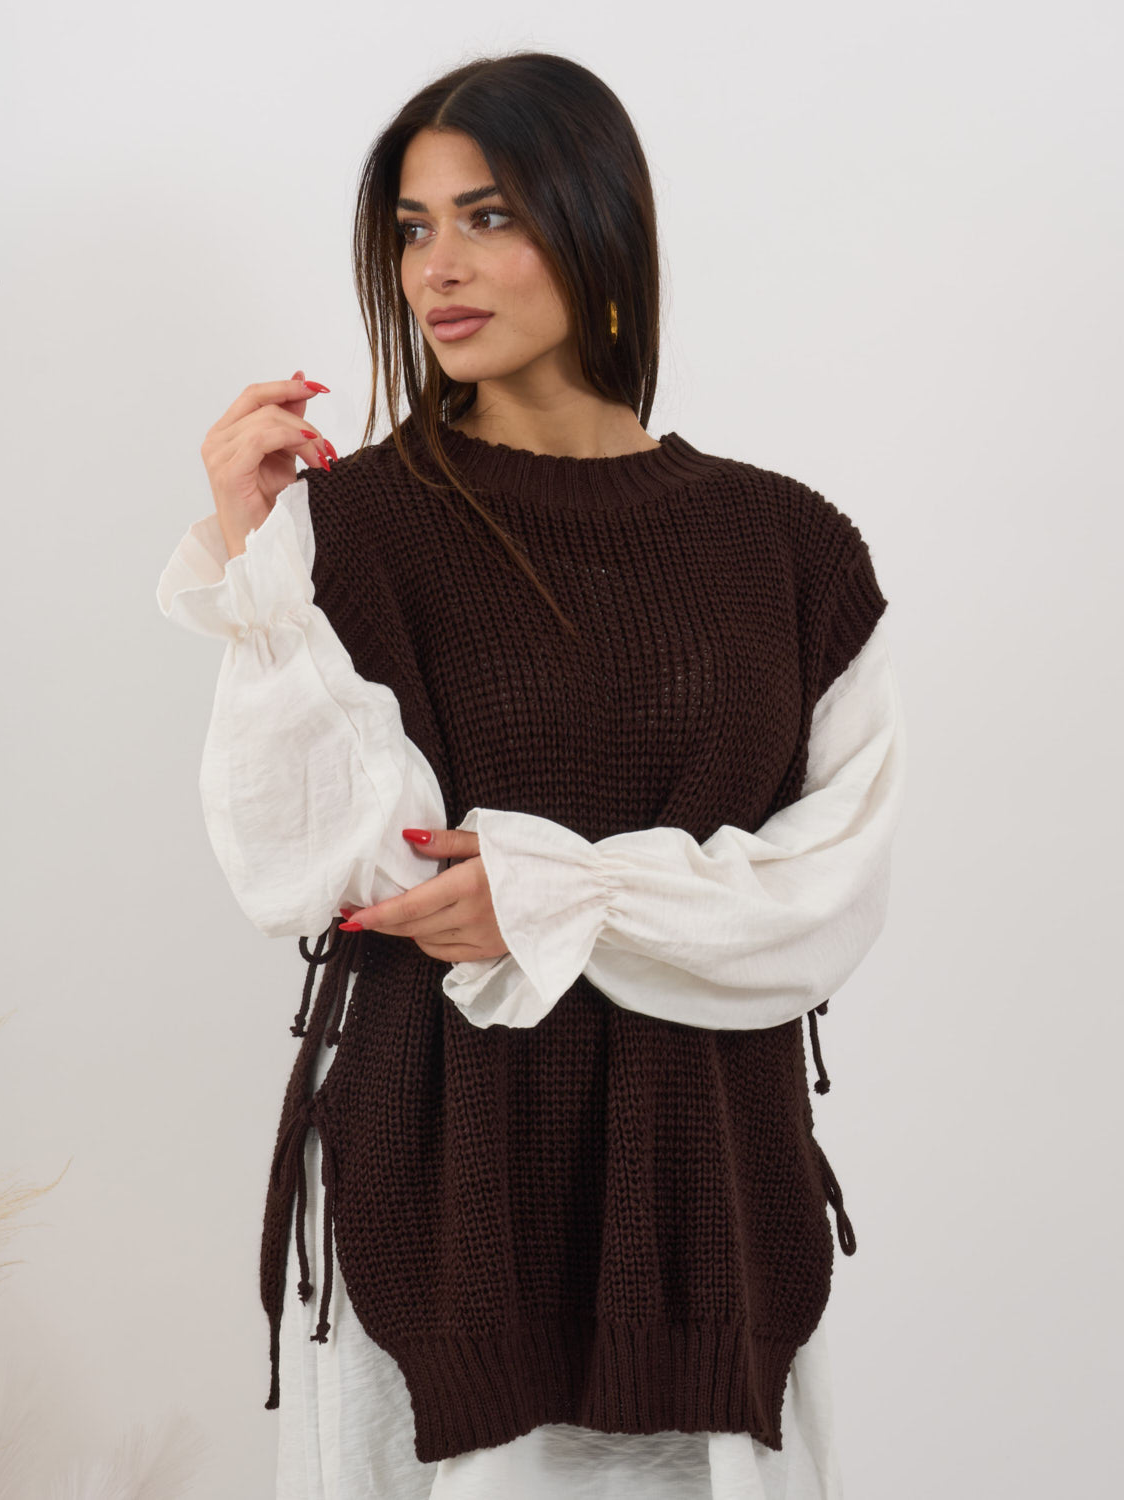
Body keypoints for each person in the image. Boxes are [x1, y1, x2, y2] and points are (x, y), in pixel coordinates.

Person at [157, 50, 906, 1500]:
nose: (437, 267)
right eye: (412, 229)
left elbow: (827, 897)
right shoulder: (353, 531)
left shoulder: (791, 550)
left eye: (488, 216)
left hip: (708, 1196)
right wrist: (260, 571)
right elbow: (321, 869)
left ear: (596, 225)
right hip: (438, 1195)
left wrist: (555, 897)